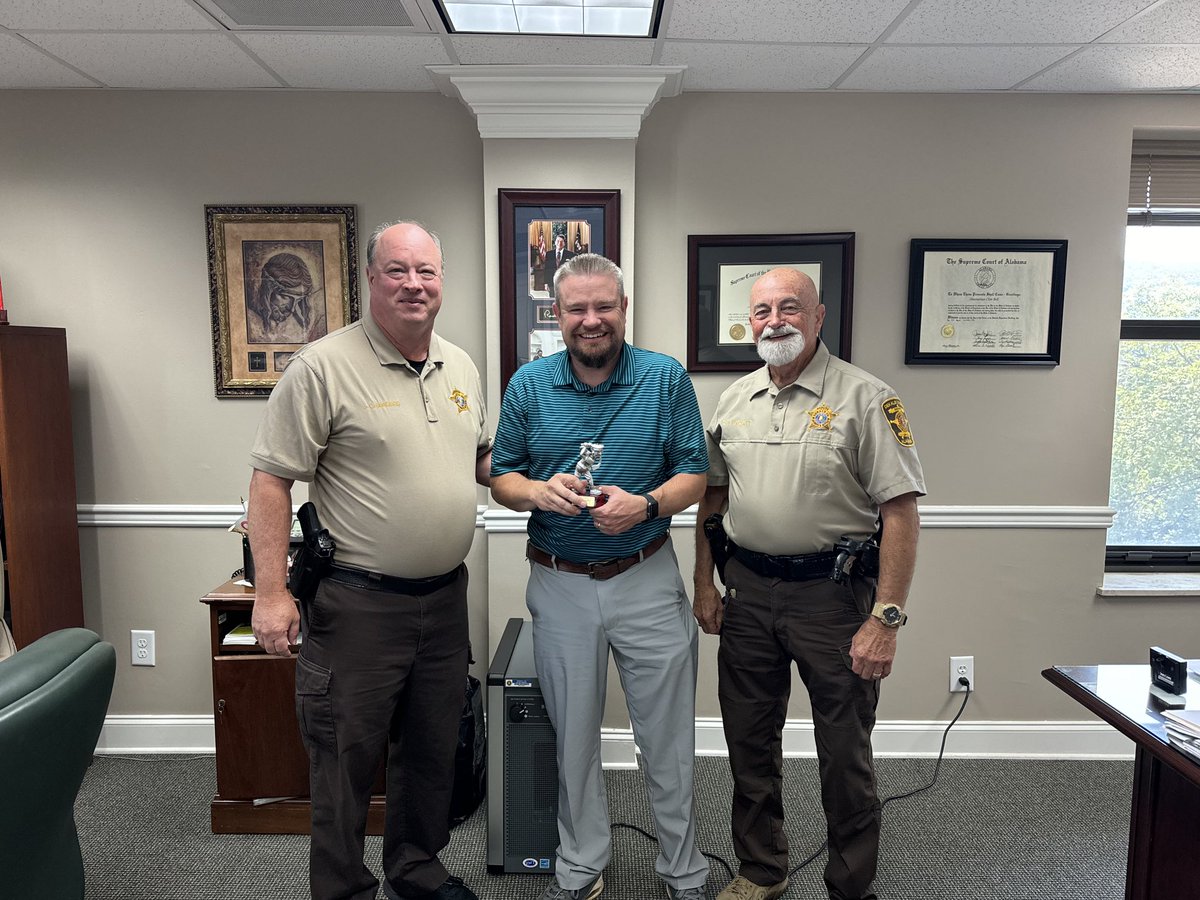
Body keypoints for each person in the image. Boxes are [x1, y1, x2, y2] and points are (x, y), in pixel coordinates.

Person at [247, 221, 490, 900]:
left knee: (432, 749)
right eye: (397, 270)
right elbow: (271, 480)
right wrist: (271, 592)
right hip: (358, 605)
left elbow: (477, 460)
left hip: (443, 602)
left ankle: (415, 868)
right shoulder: (322, 367)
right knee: (344, 758)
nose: (415, 284)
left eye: (427, 271)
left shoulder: (462, 366)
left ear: (443, 281)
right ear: (371, 279)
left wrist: (542, 476)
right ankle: (343, 888)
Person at [693, 268, 925, 900]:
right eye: (762, 310)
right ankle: (761, 870)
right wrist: (705, 584)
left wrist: (886, 618)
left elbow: (900, 512)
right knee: (748, 743)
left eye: (790, 308)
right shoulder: (734, 399)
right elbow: (713, 497)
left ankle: (850, 885)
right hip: (746, 593)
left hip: (834, 598)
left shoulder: (867, 399)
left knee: (844, 753)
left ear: (819, 317)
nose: (775, 321)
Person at [490, 253, 710, 900]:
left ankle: (683, 872)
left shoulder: (665, 378)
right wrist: (535, 490)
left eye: (604, 307)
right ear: (556, 315)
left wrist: (647, 505)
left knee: (666, 740)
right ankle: (581, 867)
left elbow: (694, 473)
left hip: (644, 574)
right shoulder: (528, 385)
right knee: (573, 740)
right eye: (577, 309)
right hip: (560, 583)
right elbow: (501, 476)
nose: (592, 320)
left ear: (623, 308)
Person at [247, 250, 327, 344]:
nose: (292, 308)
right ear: (268, 290)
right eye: (286, 297)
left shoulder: (299, 327)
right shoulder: (250, 322)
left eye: (299, 300)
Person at [545, 234, 574, 298]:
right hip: (552, 282)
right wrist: (546, 283)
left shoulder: (570, 254)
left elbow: (572, 270)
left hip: (565, 282)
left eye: (561, 241)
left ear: (564, 243)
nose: (559, 243)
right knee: (552, 299)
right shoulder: (549, 254)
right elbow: (546, 269)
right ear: (555, 242)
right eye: (558, 241)